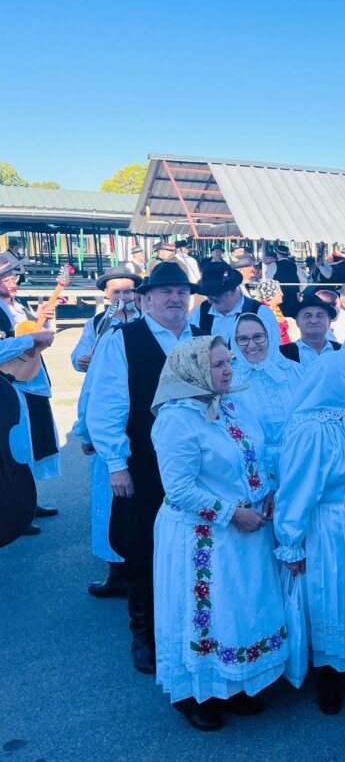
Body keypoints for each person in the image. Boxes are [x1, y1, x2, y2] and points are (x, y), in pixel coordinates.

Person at [150, 336, 286, 731]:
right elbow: (179, 489)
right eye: (218, 365)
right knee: (201, 615)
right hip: (201, 535)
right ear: (193, 370)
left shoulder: (231, 403)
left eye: (228, 363)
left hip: (245, 528)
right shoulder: (177, 418)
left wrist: (268, 491)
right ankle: (194, 694)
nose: (228, 370)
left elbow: (256, 455)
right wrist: (232, 513)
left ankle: (230, 683)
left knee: (237, 610)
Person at [86, 261, 201, 674]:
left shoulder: (200, 339)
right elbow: (106, 405)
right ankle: (145, 635)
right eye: (166, 291)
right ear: (146, 298)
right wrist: (117, 464)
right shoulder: (124, 340)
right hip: (144, 462)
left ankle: (192, 628)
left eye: (181, 292)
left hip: (195, 466)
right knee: (142, 547)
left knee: (193, 546)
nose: (175, 298)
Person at [274, 351, 345, 715]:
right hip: (331, 525)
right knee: (332, 595)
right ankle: (328, 673)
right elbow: (296, 488)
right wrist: (291, 539)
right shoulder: (308, 429)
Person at [70, 266, 143, 594]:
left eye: (129, 292)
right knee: (107, 497)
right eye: (117, 292)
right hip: (107, 414)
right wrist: (83, 359)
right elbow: (79, 361)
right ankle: (116, 571)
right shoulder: (97, 324)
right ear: (106, 296)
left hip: (140, 419)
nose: (124, 298)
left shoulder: (146, 323)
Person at [0, 255, 60, 536]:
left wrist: (44, 327)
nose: (12, 283)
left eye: (14, 277)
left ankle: (29, 502)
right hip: (9, 385)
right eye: (5, 278)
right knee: (15, 449)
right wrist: (29, 339)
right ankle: (14, 509)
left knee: (33, 446)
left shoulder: (21, 307)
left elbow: (41, 341)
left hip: (32, 380)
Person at [228, 314, 304, 481]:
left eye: (258, 337)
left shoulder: (294, 371)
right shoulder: (230, 378)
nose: (251, 344)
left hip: (297, 459)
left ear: (270, 335)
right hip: (253, 465)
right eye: (242, 339)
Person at [72, 266, 143, 372]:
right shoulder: (95, 323)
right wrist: (81, 360)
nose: (122, 297)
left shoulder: (146, 319)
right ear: (107, 293)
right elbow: (80, 352)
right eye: (116, 292)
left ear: (135, 292)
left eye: (127, 292)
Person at [189, 262, 278, 345]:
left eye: (215, 298)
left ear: (232, 290)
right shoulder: (201, 310)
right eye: (208, 297)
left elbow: (273, 351)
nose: (209, 302)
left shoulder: (260, 312)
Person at [279, 294, 343, 366]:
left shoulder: (342, 352)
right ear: (297, 322)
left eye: (319, 315)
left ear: (329, 321)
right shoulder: (282, 354)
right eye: (307, 316)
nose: (314, 321)